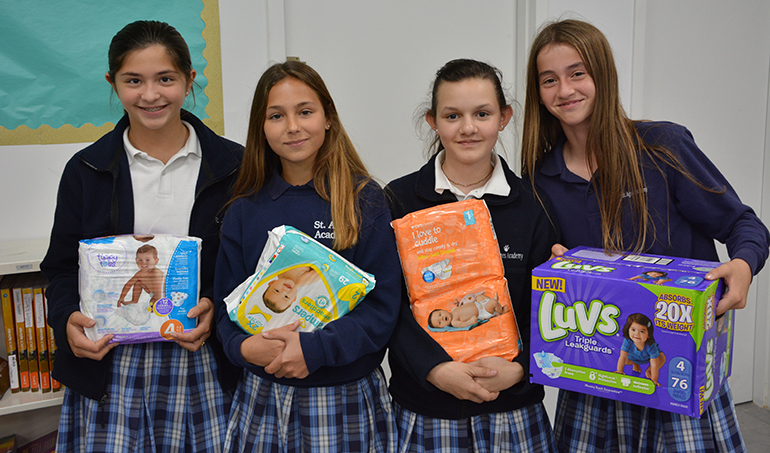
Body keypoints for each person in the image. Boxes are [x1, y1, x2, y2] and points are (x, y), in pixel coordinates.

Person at [520, 18, 770, 452]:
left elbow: (742, 224)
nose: (564, 90)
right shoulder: (540, 178)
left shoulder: (661, 147)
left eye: (578, 73)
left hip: (678, 372)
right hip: (593, 381)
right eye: (549, 80)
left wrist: (744, 265)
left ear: (604, 75)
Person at [40, 20, 243, 452]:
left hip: (202, 359)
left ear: (189, 81)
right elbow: (59, 270)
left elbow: (248, 268)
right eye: (134, 81)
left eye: (165, 79)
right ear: (113, 83)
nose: (150, 95)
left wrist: (216, 309)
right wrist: (66, 321)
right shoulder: (86, 169)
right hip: (112, 366)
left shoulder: (236, 167)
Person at [213, 60, 400, 452]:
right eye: (277, 116)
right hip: (262, 396)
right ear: (261, 129)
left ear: (328, 118)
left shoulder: (364, 200)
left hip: (345, 396)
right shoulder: (244, 211)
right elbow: (225, 312)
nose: (293, 126)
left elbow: (383, 309)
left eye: (305, 111)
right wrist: (243, 348)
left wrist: (315, 350)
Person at [385, 58, 560, 452]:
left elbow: (550, 307)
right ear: (432, 121)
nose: (467, 128)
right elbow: (386, 304)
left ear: (504, 117)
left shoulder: (533, 207)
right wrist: (434, 368)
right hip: (424, 409)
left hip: (513, 410)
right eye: (452, 115)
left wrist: (519, 369)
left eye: (482, 113)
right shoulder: (398, 200)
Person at [616, 313, 666, 386]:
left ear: (649, 334)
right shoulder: (627, 341)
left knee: (661, 358)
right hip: (633, 358)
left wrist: (654, 380)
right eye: (633, 330)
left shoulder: (651, 346)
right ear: (628, 330)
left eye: (642, 331)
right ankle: (635, 364)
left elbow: (654, 364)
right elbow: (623, 356)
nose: (637, 334)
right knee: (624, 360)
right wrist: (619, 370)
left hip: (650, 358)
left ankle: (648, 370)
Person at [428, 292, 509, 329]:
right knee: (493, 302)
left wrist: (458, 303)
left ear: (443, 310)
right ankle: (501, 310)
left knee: (480, 297)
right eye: (439, 323)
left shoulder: (453, 310)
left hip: (478, 304)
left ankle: (495, 305)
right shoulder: (454, 322)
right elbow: (463, 324)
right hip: (482, 312)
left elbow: (462, 308)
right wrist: (470, 321)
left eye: (440, 314)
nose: (441, 318)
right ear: (442, 327)